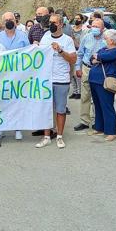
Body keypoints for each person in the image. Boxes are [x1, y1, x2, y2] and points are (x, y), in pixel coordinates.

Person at [35, 13, 77, 149]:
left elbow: (73, 59)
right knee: (46, 108)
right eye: (50, 22)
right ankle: (47, 136)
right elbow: (39, 56)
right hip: (46, 79)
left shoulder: (67, 40)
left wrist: (60, 50)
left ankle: (59, 136)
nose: (52, 25)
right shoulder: (45, 37)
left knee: (60, 109)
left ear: (61, 24)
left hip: (61, 79)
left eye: (54, 22)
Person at [0, 11, 30, 140]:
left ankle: (17, 128)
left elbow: (28, 54)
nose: (9, 21)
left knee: (16, 102)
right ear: (3, 22)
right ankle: (2, 127)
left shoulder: (23, 36)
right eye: (6, 20)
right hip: (1, 75)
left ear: (15, 21)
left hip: (18, 74)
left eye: (11, 19)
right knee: (2, 101)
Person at [87, 29, 116, 142]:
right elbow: (92, 58)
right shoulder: (104, 49)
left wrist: (98, 57)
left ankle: (111, 131)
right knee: (97, 105)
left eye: (106, 38)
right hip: (94, 80)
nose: (104, 40)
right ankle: (99, 127)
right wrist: (97, 57)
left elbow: (100, 57)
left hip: (105, 82)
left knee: (107, 105)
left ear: (112, 41)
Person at [73, 18, 105, 132]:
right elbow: (80, 54)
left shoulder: (106, 39)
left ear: (103, 28)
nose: (94, 28)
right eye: (93, 26)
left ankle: (98, 121)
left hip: (100, 69)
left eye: (97, 26)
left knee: (98, 96)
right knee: (85, 95)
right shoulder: (86, 37)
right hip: (87, 68)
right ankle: (84, 121)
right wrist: (78, 68)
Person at [70, 14, 88, 99]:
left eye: (78, 18)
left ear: (82, 20)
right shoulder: (71, 29)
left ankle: (79, 92)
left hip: (79, 51)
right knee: (72, 73)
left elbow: (82, 42)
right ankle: (74, 91)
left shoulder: (84, 30)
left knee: (78, 73)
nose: (76, 20)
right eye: (75, 18)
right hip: (71, 51)